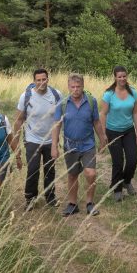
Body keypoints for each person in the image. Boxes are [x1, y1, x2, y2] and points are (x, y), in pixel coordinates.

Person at [51, 73, 106, 217]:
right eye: (72, 87)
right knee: (72, 175)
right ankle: (72, 204)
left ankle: (89, 203)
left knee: (91, 173)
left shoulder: (91, 101)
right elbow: (57, 125)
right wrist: (54, 146)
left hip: (88, 144)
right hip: (70, 146)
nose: (75, 89)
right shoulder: (62, 104)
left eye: (78, 86)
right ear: (68, 87)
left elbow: (96, 122)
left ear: (83, 86)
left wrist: (102, 139)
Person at [11, 68, 61, 209]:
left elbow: (59, 120)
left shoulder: (56, 95)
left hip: (50, 139)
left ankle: (50, 197)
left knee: (50, 169)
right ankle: (30, 199)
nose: (41, 82)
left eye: (44, 79)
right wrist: (16, 140)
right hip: (32, 139)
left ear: (48, 79)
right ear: (34, 81)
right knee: (33, 169)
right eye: (38, 80)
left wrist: (56, 141)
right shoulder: (26, 96)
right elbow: (19, 119)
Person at [100, 65, 137, 202]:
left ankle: (126, 181)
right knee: (118, 162)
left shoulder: (133, 92)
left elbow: (135, 112)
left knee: (133, 160)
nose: (122, 78)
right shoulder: (108, 94)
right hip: (112, 131)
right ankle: (117, 190)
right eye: (119, 76)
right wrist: (103, 134)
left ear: (127, 76)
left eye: (124, 76)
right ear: (115, 77)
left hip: (128, 130)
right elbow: (103, 114)